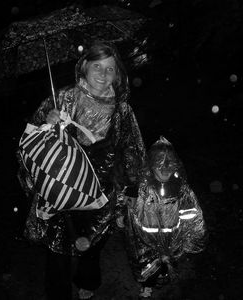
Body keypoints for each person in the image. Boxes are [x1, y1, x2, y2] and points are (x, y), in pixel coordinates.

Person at [17, 41, 145, 300]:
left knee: (93, 246)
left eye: (110, 68)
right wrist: (47, 122)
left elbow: (132, 149)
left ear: (118, 74)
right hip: (61, 188)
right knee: (57, 252)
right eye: (96, 66)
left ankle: (87, 281)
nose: (103, 74)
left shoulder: (122, 111)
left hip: (102, 194)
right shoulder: (62, 99)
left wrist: (132, 188)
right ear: (83, 68)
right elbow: (30, 144)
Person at [122, 136, 207, 299]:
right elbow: (127, 198)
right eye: (160, 167)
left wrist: (192, 233)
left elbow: (191, 212)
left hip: (171, 236)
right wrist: (123, 212)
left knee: (167, 261)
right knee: (145, 264)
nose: (165, 171)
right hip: (145, 236)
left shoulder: (180, 188)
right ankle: (147, 284)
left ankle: (162, 273)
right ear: (152, 165)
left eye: (169, 167)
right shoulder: (142, 185)